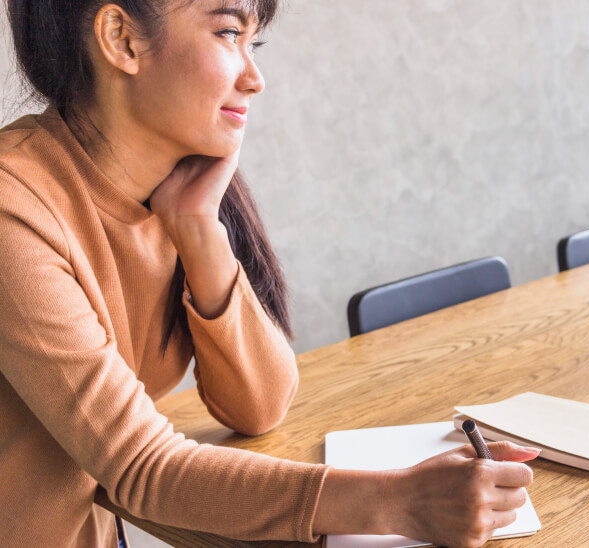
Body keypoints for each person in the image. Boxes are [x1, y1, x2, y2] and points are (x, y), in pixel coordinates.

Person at [0, 1, 538, 547]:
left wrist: (197, 229)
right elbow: (142, 467)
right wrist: (398, 502)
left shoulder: (171, 193)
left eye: (253, 44)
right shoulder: (13, 208)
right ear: (121, 39)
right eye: (229, 33)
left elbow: (258, 406)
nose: (255, 79)